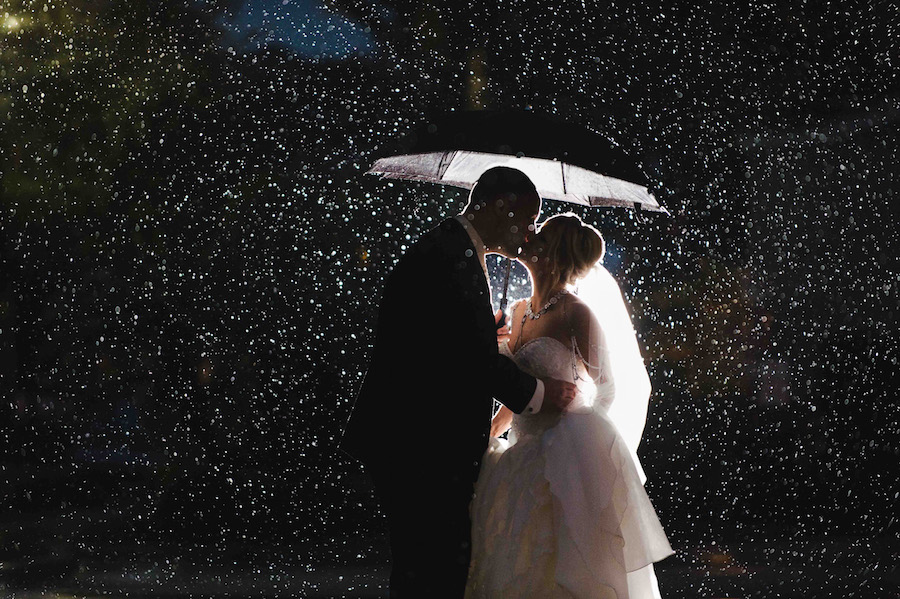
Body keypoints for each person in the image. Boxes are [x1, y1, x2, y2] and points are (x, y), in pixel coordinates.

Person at [340, 167, 578, 599]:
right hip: (419, 442)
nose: (527, 236)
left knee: (424, 568)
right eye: (526, 222)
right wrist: (541, 393)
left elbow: (440, 338)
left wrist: (483, 331)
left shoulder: (451, 247)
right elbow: (472, 360)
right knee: (434, 570)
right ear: (501, 205)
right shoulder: (451, 256)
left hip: (412, 435)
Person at [465, 214, 674, 599]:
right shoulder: (516, 310)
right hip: (519, 455)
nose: (530, 238)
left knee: (563, 564)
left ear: (554, 253)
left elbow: (608, 388)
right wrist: (493, 429)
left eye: (540, 235)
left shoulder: (576, 314)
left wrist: (572, 434)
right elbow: (521, 389)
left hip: (564, 458)